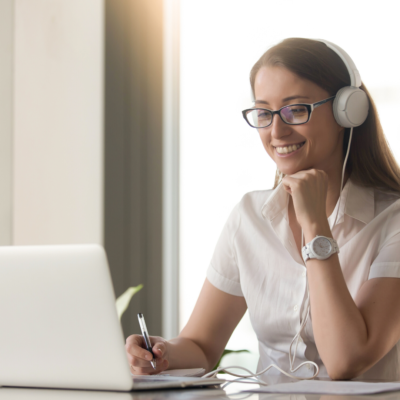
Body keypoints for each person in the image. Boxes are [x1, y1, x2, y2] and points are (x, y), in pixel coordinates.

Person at [125, 38, 400, 382]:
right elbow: (202, 345)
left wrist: (316, 226)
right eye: (263, 113)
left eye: (296, 109)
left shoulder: (392, 222)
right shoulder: (250, 216)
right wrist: (161, 354)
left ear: (348, 110)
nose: (276, 131)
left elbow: (346, 360)